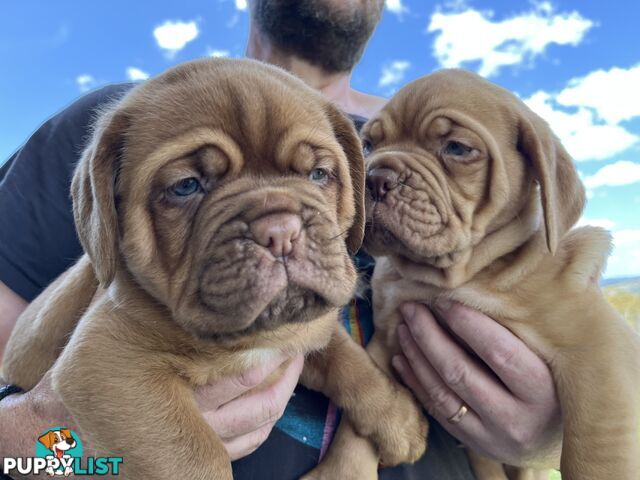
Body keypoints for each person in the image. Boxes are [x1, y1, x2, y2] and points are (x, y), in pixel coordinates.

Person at [0, 1, 562, 478]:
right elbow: (21, 424)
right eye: (189, 186)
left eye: (318, 175)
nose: (281, 230)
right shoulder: (121, 129)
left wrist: (549, 435)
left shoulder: (445, 144)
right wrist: (52, 455)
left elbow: (570, 337)